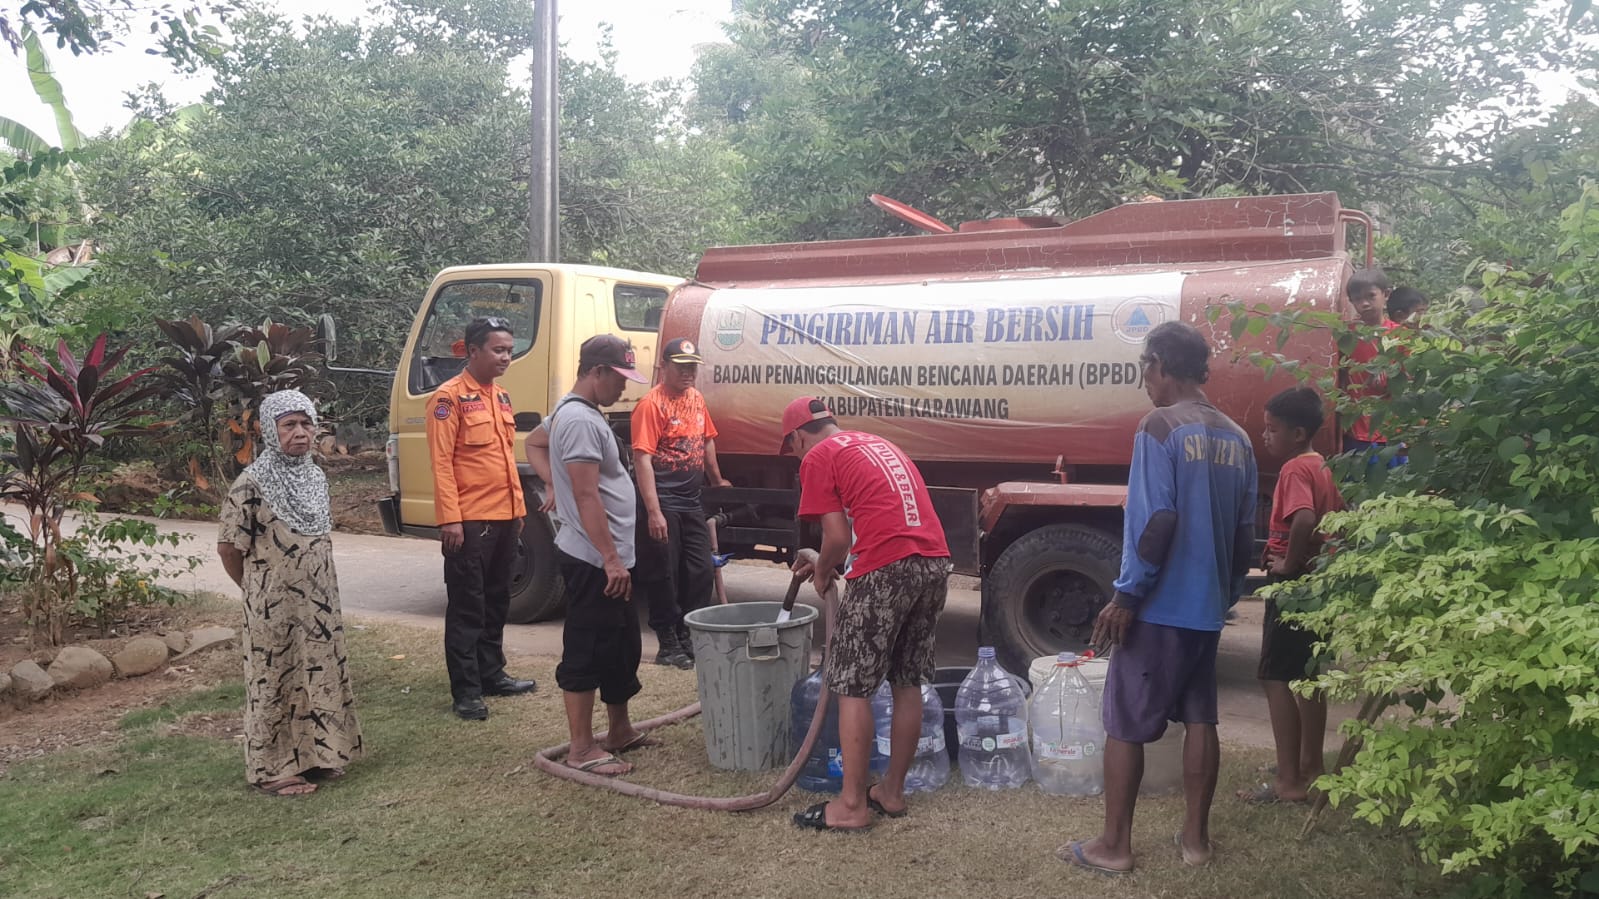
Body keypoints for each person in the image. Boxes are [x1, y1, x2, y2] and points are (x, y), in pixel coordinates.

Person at [1061, 322, 1257, 874]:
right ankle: (1195, 841)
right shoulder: (1237, 437)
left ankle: (1114, 847)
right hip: (1207, 607)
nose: (1144, 380)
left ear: (1161, 366)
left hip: (1161, 606)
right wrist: (1226, 592)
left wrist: (1126, 595)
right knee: (1201, 718)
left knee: (1124, 722)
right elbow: (1245, 535)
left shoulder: (1159, 426)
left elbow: (1156, 520)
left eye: (1145, 367)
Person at [782, 397, 952, 832]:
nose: (796, 457)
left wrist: (823, 570)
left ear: (799, 436)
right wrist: (827, 560)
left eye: (792, 448)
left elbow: (837, 537)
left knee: (850, 685)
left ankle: (853, 806)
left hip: (886, 567)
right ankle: (891, 793)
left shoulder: (818, 456)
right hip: (933, 561)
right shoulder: (876, 444)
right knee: (906, 679)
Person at [525, 335, 659, 776]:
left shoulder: (572, 412)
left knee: (621, 645)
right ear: (596, 372)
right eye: (618, 379)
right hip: (593, 559)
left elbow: (535, 443)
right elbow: (586, 495)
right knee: (587, 647)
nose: (623, 389)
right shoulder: (580, 421)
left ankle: (619, 731)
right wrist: (610, 558)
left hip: (608, 555)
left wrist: (549, 483)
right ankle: (582, 748)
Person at [218, 389, 363, 796]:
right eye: (289, 425)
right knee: (275, 678)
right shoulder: (250, 485)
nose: (301, 433)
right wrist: (257, 591)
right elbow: (230, 548)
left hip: (318, 603)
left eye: (306, 424)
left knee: (318, 671)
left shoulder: (315, 476)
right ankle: (273, 769)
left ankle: (320, 755)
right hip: (272, 606)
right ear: (269, 431)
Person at [426, 317, 538, 721]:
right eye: (498, 350)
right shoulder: (447, 398)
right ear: (472, 351)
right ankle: (467, 691)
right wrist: (450, 520)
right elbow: (440, 462)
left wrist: (519, 510)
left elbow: (506, 460)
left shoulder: (501, 397)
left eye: (509, 349)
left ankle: (493, 675)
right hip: (469, 522)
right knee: (467, 606)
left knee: (497, 601)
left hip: (505, 518)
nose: (506, 357)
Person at [1238, 386, 1345, 805]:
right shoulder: (1323, 466)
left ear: (1298, 433)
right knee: (1307, 676)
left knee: (1275, 677)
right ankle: (1310, 765)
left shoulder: (1294, 470)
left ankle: (1289, 782)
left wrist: (1287, 564)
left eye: (1271, 429)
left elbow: (1303, 518)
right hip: (1320, 583)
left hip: (1295, 585)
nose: (1265, 437)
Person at [631, 337, 731, 670]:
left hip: (691, 500)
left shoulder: (696, 399)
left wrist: (716, 480)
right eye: (681, 366)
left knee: (700, 569)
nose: (688, 373)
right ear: (664, 366)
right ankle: (668, 642)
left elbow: (707, 441)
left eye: (692, 367)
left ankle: (688, 632)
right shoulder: (651, 404)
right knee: (665, 572)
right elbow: (642, 459)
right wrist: (654, 511)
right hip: (663, 500)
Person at [1339, 268, 1402, 458]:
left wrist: (1392, 380)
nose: (1364, 303)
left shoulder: (1401, 335)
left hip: (1393, 430)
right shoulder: (1347, 335)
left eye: (1371, 296)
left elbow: (1411, 379)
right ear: (1351, 302)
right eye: (1357, 299)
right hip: (1356, 431)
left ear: (1386, 294)